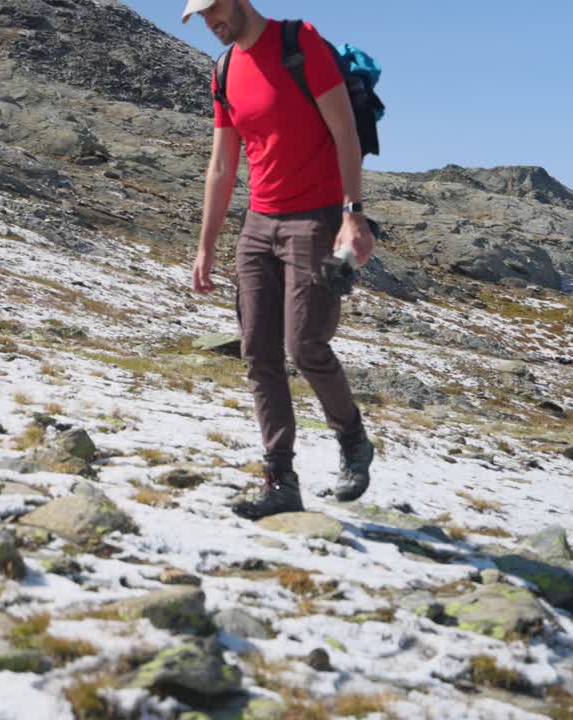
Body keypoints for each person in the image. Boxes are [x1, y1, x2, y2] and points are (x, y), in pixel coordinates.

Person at [183, 0, 376, 520]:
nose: (210, 23)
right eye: (200, 17)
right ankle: (279, 481)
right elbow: (222, 165)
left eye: (213, 10)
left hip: (314, 218)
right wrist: (206, 244)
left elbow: (345, 133)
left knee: (304, 343)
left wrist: (352, 215)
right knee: (258, 353)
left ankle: (353, 441)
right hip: (258, 224)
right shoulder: (223, 70)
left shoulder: (299, 44)